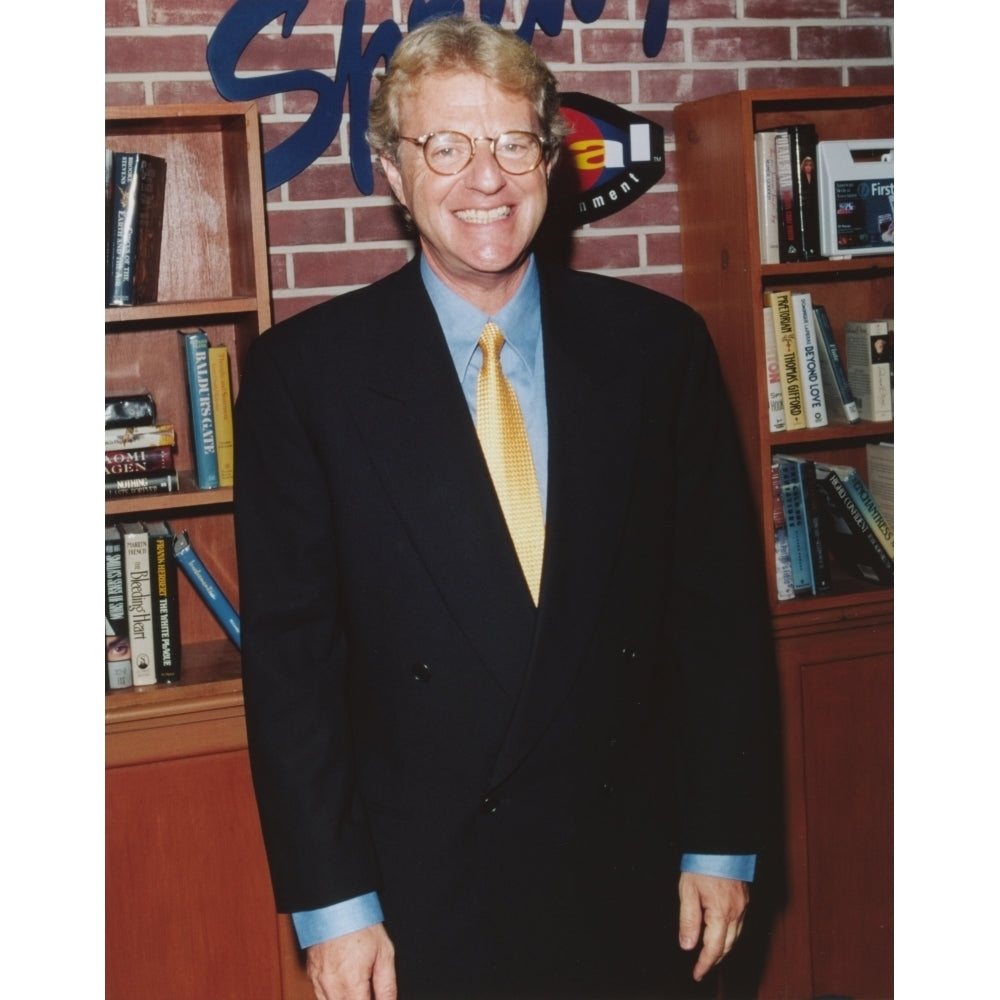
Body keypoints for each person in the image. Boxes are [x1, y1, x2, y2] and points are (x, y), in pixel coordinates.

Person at [235, 15, 774, 1000]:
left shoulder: (659, 350)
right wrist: (334, 905)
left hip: (636, 880)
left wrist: (724, 842)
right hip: (420, 898)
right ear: (395, 172)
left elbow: (719, 624)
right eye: (446, 146)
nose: (484, 179)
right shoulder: (303, 379)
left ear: (552, 161)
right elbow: (292, 668)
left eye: (512, 143)